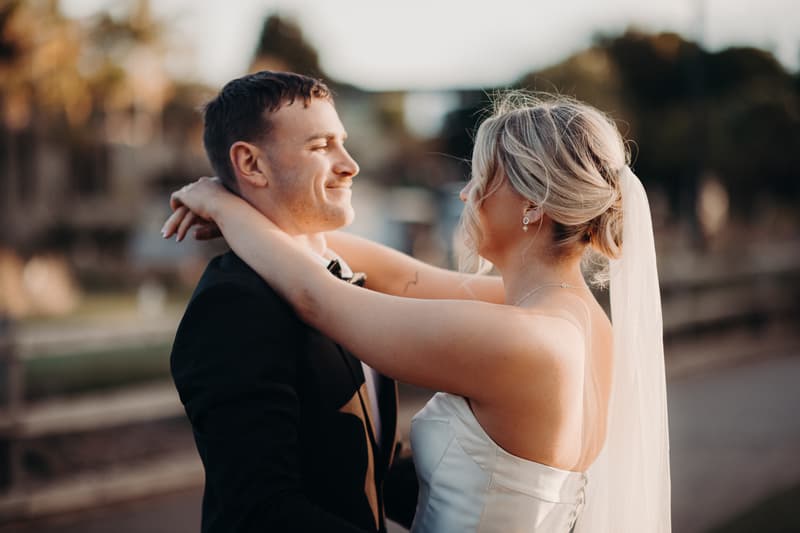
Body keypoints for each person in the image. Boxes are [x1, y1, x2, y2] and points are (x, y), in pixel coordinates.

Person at [164, 91, 672, 532]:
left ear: (532, 203)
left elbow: (318, 297)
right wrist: (270, 216)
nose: (466, 192)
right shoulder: (578, 322)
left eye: (482, 177)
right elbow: (404, 279)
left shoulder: (521, 338)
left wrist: (223, 205)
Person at [167, 71, 417, 533]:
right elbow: (263, 513)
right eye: (321, 146)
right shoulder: (233, 307)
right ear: (252, 165)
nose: (350, 164)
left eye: (342, 142)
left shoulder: (344, 285)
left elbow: (369, 461)